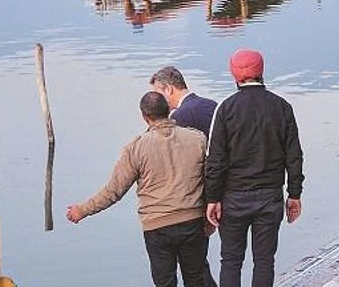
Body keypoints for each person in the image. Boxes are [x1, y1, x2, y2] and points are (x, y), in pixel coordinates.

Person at [66, 92, 208, 287]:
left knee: (165, 283)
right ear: (169, 110)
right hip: (192, 221)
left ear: (144, 116)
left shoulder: (136, 149)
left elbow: (114, 191)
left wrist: (82, 210)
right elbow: (212, 179)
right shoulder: (197, 139)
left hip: (157, 227)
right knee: (197, 280)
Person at [205, 49, 304, 287]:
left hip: (233, 197)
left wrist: (213, 198)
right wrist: (294, 194)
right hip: (270, 196)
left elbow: (215, 160)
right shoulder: (281, 107)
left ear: (234, 75)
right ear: (262, 71)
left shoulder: (226, 109)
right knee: (264, 260)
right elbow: (294, 155)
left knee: (230, 260)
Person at [150, 66, 219, 287]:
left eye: (158, 94)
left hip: (196, 199)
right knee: (203, 264)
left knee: (195, 267)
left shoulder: (179, 118)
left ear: (168, 89)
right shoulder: (213, 106)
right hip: (223, 188)